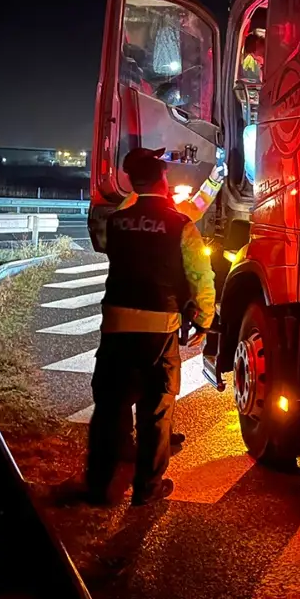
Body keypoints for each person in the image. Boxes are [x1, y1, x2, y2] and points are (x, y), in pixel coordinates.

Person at [85, 147, 216, 506]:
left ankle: (97, 486)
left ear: (132, 182)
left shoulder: (117, 220)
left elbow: (124, 225)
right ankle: (147, 488)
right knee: (157, 409)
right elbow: (200, 276)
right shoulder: (181, 226)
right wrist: (204, 318)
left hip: (115, 325)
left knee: (110, 409)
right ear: (163, 181)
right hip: (159, 328)